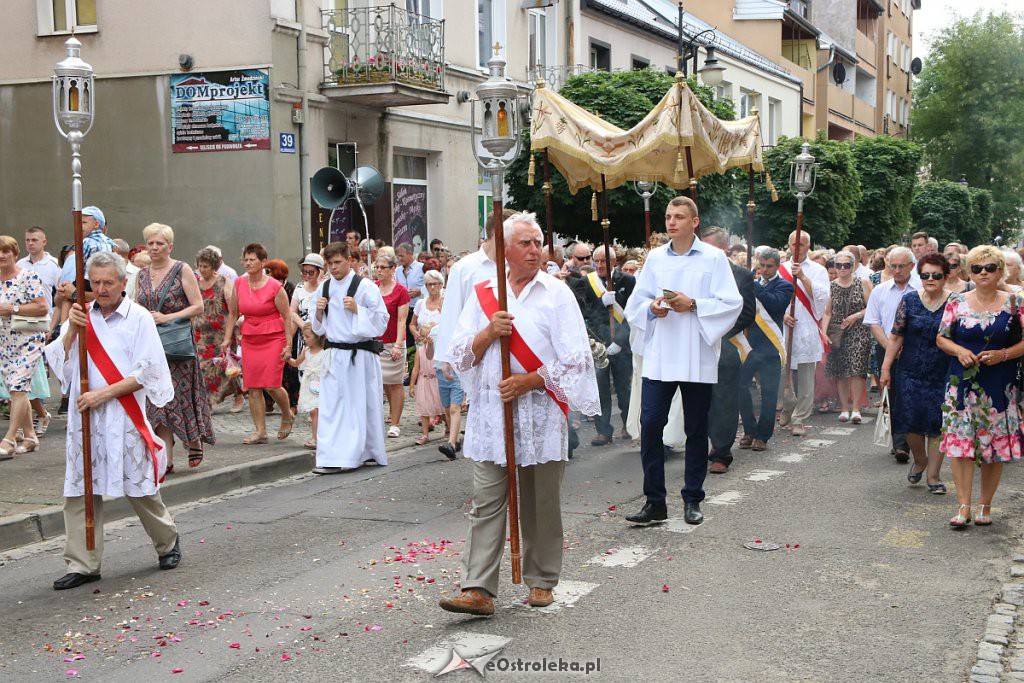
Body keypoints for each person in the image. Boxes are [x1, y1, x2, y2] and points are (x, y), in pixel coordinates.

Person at [438, 213, 599, 616]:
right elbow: (461, 353)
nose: (533, 250)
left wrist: (531, 380)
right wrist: (489, 332)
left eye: (537, 242)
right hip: (493, 417)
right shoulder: (483, 293)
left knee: (540, 502)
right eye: (525, 243)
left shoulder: (556, 293)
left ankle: (542, 579)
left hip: (541, 414)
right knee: (487, 500)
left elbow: (577, 359)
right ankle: (477, 588)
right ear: (505, 249)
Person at [44, 251, 181, 590]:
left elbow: (147, 371)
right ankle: (84, 562)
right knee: (80, 490)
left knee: (139, 486)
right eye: (96, 282)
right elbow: (59, 366)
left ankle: (167, 541)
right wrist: (73, 332)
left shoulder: (138, 319)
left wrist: (102, 395)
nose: (102, 289)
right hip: (85, 419)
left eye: (109, 282)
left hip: (123, 414)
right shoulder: (80, 316)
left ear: (123, 283)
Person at [623, 196, 742, 526]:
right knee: (650, 426)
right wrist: (652, 308)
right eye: (668, 216)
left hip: (696, 353)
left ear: (695, 222)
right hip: (661, 354)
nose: (671, 222)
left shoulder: (714, 258)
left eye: (678, 217)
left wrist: (694, 305)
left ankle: (692, 498)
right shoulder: (656, 258)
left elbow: (731, 303)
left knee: (695, 429)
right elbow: (638, 301)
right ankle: (655, 502)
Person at [936, 245, 1024, 527]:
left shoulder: (1016, 302)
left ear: (1001, 271)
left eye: (989, 268)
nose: (983, 273)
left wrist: (1004, 354)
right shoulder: (956, 301)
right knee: (960, 445)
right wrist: (958, 351)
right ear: (969, 271)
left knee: (994, 446)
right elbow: (941, 338)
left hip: (999, 385)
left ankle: (985, 505)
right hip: (960, 384)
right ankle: (963, 506)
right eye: (977, 268)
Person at [136, 224, 213, 471]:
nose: (155, 247)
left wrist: (167, 317)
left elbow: (198, 306)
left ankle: (193, 440)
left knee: (176, 398)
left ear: (170, 246)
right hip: (151, 346)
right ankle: (165, 460)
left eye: (160, 243)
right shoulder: (141, 275)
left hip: (177, 347)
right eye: (151, 243)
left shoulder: (182, 269)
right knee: (157, 401)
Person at [310, 241, 389, 474]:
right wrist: (318, 311)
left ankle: (364, 451)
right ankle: (332, 456)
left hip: (360, 355)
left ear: (349, 260)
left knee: (359, 406)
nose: (333, 268)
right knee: (332, 407)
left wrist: (357, 310)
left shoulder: (365, 287)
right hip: (334, 354)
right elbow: (317, 328)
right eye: (329, 264)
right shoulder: (323, 288)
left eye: (337, 262)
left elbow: (381, 321)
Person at [880, 253, 951, 495]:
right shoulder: (909, 300)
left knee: (938, 423)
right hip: (909, 370)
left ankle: (933, 475)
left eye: (936, 275)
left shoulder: (955, 302)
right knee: (909, 420)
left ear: (946, 277)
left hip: (943, 372)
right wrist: (886, 367)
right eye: (925, 275)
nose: (930, 279)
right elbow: (896, 336)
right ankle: (920, 460)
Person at [221, 243, 294, 445]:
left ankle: (287, 413)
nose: (248, 263)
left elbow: (287, 316)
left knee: (271, 384)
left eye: (252, 259)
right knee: (253, 386)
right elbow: (233, 313)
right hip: (251, 337)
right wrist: (227, 338)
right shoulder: (239, 284)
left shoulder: (274, 287)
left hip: (273, 337)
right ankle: (260, 432)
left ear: (263, 262)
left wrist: (288, 344)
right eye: (245, 259)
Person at [701, 227, 756, 474]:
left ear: (724, 249)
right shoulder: (697, 272)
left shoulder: (741, 275)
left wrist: (718, 331)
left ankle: (722, 452)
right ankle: (706, 444)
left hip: (725, 344)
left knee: (724, 400)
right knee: (701, 400)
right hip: (698, 345)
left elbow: (746, 313)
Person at [865, 246, 920, 463]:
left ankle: (913, 437)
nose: (897, 270)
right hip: (886, 347)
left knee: (912, 395)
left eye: (901, 266)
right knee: (893, 395)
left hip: (914, 350)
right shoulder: (880, 290)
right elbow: (873, 322)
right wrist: (890, 346)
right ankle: (900, 444)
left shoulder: (920, 289)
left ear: (911, 267)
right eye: (893, 266)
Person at [579, 245, 635, 446]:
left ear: (614, 262)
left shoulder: (627, 280)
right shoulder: (587, 282)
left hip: (622, 344)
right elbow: (584, 313)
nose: (600, 265)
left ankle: (629, 425)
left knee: (624, 389)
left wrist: (620, 341)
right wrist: (600, 303)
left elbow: (634, 314)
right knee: (601, 389)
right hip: (599, 344)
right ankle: (603, 431)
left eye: (605, 261)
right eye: (598, 261)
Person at [739, 248, 793, 452]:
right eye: (761, 266)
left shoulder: (785, 286)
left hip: (770, 347)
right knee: (740, 387)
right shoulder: (752, 284)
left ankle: (763, 435)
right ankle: (749, 430)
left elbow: (775, 305)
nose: (764, 270)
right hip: (749, 345)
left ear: (777, 266)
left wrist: (753, 286)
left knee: (769, 394)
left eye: (769, 266)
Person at [778, 230, 831, 437]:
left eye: (801, 244)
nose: (796, 248)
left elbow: (821, 297)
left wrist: (802, 277)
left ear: (808, 247)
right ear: (788, 245)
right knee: (784, 373)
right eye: (793, 244)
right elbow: (772, 296)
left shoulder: (818, 270)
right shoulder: (781, 268)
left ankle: (800, 418)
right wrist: (782, 315)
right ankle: (788, 404)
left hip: (807, 327)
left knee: (806, 378)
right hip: (785, 328)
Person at [0, 236, 48, 458]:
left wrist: (14, 309)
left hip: (28, 341)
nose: (1, 256)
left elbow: (42, 308)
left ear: (14, 254)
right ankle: (30, 437)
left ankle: (9, 439)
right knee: (15, 391)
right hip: (4, 343)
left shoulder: (28, 276)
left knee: (18, 388)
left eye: (5, 251)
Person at [822, 251, 873, 423]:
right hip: (837, 331)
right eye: (839, 265)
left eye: (846, 265)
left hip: (859, 330)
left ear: (853, 266)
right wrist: (823, 333)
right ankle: (844, 408)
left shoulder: (863, 282)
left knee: (857, 370)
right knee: (841, 371)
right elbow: (827, 312)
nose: (842, 268)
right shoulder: (831, 285)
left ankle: (856, 409)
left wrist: (856, 315)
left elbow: (872, 308)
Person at [18, 227, 60, 432]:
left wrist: (52, 327)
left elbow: (58, 299)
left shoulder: (52, 266)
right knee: (18, 380)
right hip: (18, 325)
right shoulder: (19, 265)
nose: (30, 243)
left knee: (36, 376)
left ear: (44, 241)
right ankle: (23, 423)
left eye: (34, 239)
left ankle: (40, 414)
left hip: (42, 325)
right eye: (27, 240)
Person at [193, 247, 242, 410]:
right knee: (203, 368)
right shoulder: (195, 282)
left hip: (220, 333)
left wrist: (230, 336)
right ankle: (208, 403)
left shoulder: (223, 282)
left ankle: (239, 394)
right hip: (200, 334)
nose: (202, 269)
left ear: (213, 266)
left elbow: (233, 310)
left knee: (225, 367)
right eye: (200, 266)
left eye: (205, 266)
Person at [374, 247, 410, 437]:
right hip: (376, 342)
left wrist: (397, 344)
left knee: (395, 383)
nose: (379, 270)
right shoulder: (372, 287)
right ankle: (388, 415)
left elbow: (402, 319)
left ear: (392, 269)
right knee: (382, 382)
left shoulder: (400, 291)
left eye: (383, 267)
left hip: (393, 341)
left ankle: (395, 423)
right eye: (377, 267)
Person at [409, 269, 445, 446]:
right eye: (429, 284)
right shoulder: (421, 304)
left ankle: (446, 423)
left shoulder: (445, 302)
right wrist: (416, 333)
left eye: (435, 284)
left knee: (440, 390)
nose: (432, 287)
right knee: (426, 384)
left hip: (440, 349)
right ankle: (428, 421)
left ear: (441, 284)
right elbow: (412, 324)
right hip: (423, 346)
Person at [288, 323, 324, 451]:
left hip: (321, 382)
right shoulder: (306, 350)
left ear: (317, 337)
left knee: (319, 410)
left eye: (307, 336)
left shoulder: (325, 351)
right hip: (310, 383)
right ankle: (315, 437)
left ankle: (318, 437)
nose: (304, 339)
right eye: (304, 336)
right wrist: (287, 359)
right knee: (313, 411)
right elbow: (296, 362)